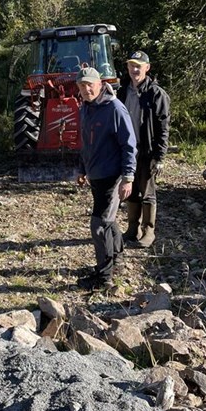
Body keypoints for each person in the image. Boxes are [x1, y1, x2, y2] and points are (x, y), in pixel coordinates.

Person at [76, 67, 137, 290]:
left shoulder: (114, 108)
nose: (86, 89)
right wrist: (82, 169)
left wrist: (128, 176)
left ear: (100, 84)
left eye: (89, 84)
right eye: (82, 86)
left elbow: (129, 145)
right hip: (95, 174)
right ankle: (117, 260)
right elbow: (85, 142)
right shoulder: (86, 108)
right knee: (108, 220)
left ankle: (104, 277)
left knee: (99, 225)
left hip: (112, 175)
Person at [116, 50, 171, 247]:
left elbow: (163, 128)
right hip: (127, 151)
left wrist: (160, 157)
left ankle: (149, 230)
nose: (134, 69)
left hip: (147, 151)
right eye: (132, 65)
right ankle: (133, 228)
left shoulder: (157, 94)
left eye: (139, 66)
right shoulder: (122, 91)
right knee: (131, 190)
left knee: (147, 192)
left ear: (147, 68)